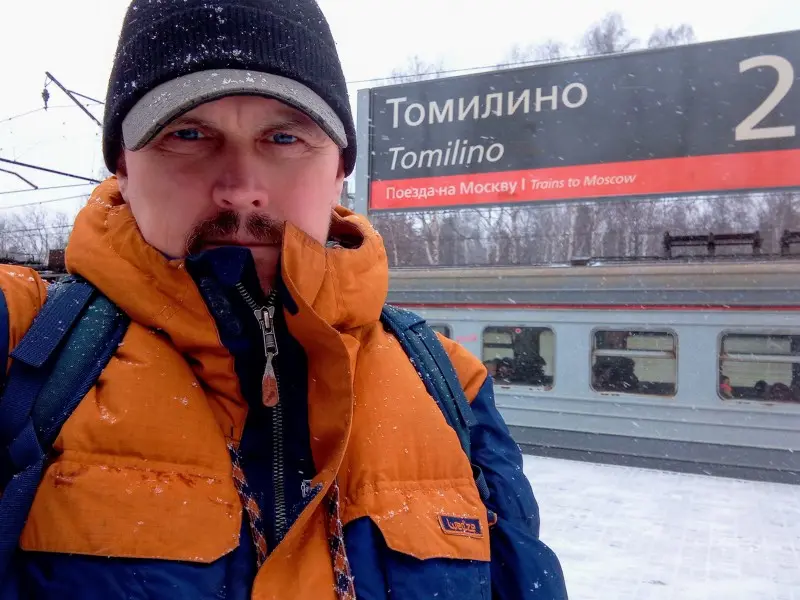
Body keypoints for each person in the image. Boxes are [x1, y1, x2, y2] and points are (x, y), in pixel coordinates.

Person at [0, 1, 567, 598]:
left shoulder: (450, 384)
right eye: (187, 134)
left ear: (340, 168)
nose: (241, 190)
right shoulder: (27, 344)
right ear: (122, 164)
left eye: (284, 136)